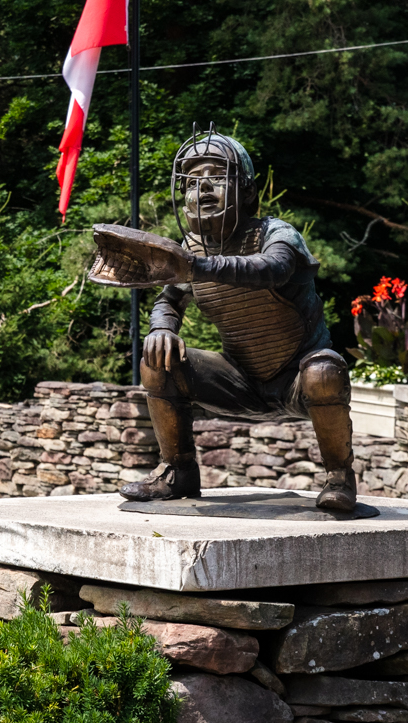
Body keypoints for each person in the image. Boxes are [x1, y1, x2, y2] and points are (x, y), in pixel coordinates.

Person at [116, 131, 358, 513]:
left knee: (324, 370)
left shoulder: (274, 233)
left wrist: (200, 266)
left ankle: (340, 477)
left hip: (297, 376)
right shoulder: (191, 251)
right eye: (193, 182)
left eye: (217, 176)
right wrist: (162, 328)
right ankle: (177, 470)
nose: (204, 189)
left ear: (245, 191)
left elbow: (274, 268)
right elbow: (168, 302)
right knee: (157, 359)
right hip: (238, 379)